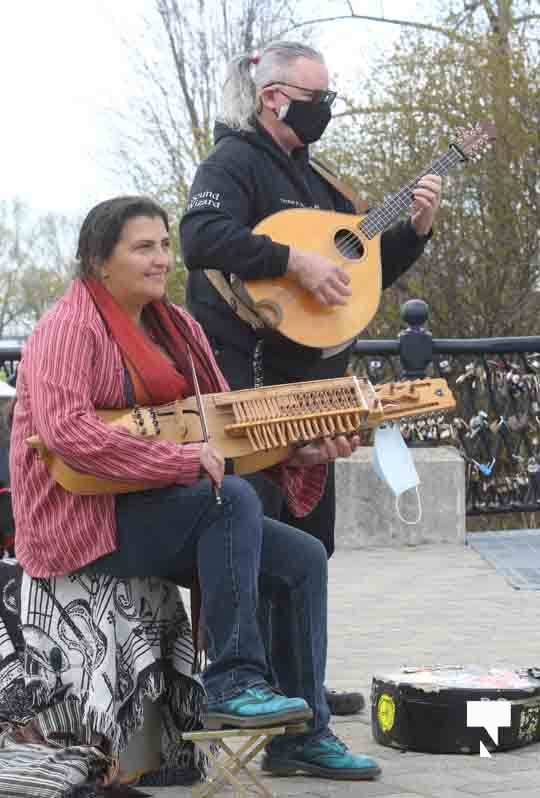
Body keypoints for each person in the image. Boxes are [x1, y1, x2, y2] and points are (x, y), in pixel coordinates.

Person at [9, 196, 381, 781]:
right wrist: (176, 461)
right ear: (100, 261)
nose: (162, 259)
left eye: (163, 245)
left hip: (160, 508)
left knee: (304, 558)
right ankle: (233, 682)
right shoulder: (67, 328)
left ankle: (304, 738)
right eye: (143, 247)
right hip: (85, 516)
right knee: (229, 502)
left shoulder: (179, 329)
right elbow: (67, 434)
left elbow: (221, 432)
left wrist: (298, 449)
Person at [180, 40, 442, 717]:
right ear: (275, 97)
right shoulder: (232, 160)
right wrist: (292, 260)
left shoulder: (315, 177)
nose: (327, 108)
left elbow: (353, 276)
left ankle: (300, 687)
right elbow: (200, 234)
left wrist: (413, 231)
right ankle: (249, 686)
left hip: (311, 383)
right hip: (248, 380)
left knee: (311, 543)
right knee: (254, 539)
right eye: (319, 96)